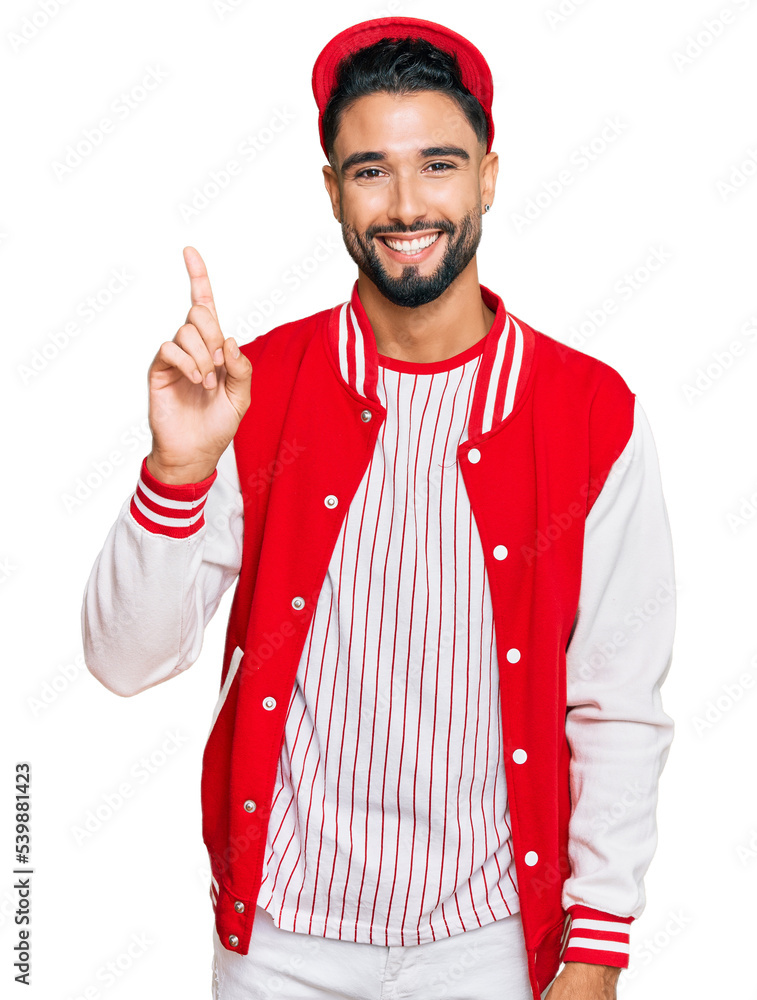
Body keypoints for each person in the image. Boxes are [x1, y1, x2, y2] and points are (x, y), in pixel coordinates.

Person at [80, 16, 676, 1000]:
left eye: (438, 164)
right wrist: (178, 467)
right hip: (278, 945)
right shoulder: (256, 385)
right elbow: (124, 659)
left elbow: (617, 705)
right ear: (331, 191)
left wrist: (597, 951)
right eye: (369, 170)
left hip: (487, 949)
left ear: (487, 173)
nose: (406, 203)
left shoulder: (591, 414)